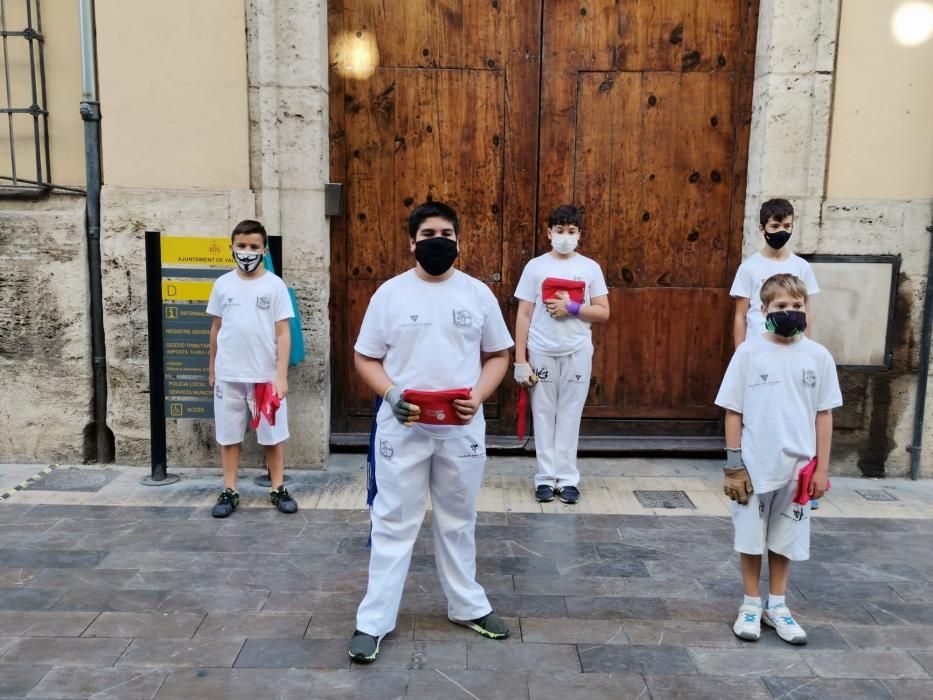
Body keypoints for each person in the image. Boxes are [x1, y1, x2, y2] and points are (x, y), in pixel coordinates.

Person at [348, 201, 514, 663]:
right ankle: (374, 621)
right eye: (427, 234)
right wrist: (390, 394)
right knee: (393, 522)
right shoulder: (390, 294)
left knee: (458, 519)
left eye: (445, 233)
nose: (437, 241)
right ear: (412, 242)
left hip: (461, 428)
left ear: (458, 241)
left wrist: (478, 396)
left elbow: (499, 353)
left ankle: (467, 605)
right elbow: (366, 356)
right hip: (402, 428)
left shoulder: (478, 294)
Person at [715, 273, 842, 644]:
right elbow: (733, 410)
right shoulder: (749, 353)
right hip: (755, 465)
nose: (790, 312)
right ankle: (751, 603)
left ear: (806, 308)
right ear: (763, 309)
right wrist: (734, 462)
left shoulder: (818, 356)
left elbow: (824, 413)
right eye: (781, 306)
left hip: (798, 469)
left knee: (786, 538)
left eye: (797, 305)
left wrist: (822, 466)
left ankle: (778, 605)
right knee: (751, 537)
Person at [512, 205, 610, 504]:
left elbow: (603, 312)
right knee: (543, 414)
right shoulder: (535, 267)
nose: (565, 237)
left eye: (571, 232)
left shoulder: (590, 268)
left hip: (577, 351)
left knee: (569, 415)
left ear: (580, 234)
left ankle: (567, 479)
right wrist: (520, 359)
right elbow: (524, 314)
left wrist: (573, 308)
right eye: (559, 231)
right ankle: (544, 478)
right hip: (541, 351)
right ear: (548, 232)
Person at [730, 198, 823, 508]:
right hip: (760, 351)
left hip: (794, 349)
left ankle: (803, 478)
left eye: (786, 226)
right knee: (759, 413)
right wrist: (740, 353)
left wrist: (806, 347)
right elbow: (740, 314)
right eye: (775, 226)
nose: (781, 231)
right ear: (762, 228)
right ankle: (754, 470)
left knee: (800, 410)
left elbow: (808, 310)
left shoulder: (801, 267)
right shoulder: (750, 267)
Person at [206, 219, 298, 518]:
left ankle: (278, 487)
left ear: (264, 250)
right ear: (232, 247)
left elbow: (284, 332)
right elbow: (216, 328)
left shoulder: (274, 285)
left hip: (264, 379)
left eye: (253, 247)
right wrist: (212, 368)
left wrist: (280, 376)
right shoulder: (223, 284)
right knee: (229, 435)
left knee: (272, 436)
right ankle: (230, 489)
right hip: (229, 376)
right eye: (241, 246)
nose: (247, 252)